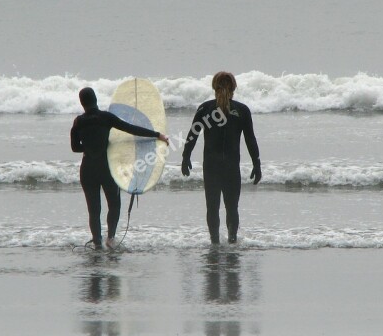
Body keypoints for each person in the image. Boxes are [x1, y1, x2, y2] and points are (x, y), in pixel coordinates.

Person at [71, 87, 169, 250]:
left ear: (82, 103)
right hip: (106, 168)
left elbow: (75, 147)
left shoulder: (78, 122)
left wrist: (89, 147)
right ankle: (110, 239)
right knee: (114, 204)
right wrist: (157, 134)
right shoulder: (106, 117)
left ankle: (97, 242)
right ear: (95, 99)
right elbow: (130, 128)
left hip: (87, 169)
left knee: (94, 209)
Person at [181, 72, 261, 244]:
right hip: (232, 167)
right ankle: (232, 242)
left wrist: (185, 157)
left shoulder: (205, 109)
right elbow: (250, 139)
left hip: (211, 167)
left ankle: (215, 243)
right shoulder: (242, 110)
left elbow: (192, 135)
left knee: (212, 208)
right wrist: (257, 163)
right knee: (232, 208)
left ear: (213, 86)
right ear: (234, 88)